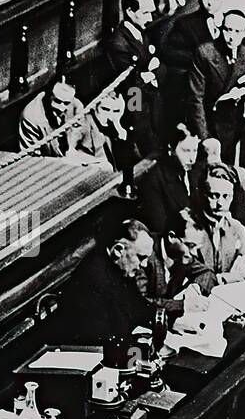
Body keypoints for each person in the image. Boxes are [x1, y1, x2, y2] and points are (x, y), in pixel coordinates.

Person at [52, 218, 155, 347]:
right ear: (118, 250)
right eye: (141, 257)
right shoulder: (92, 277)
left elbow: (138, 305)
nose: (144, 264)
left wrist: (160, 319)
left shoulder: (121, 268)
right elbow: (103, 334)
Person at [186, 9, 245, 162]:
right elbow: (195, 98)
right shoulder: (205, 53)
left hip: (233, 125)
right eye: (228, 30)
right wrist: (204, 136)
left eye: (237, 31)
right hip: (208, 122)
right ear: (221, 28)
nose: (232, 37)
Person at [105, 0, 163, 153]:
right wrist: (150, 74)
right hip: (134, 100)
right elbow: (130, 84)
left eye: (151, 12)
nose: (150, 18)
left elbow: (157, 64)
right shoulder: (118, 43)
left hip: (150, 100)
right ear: (130, 12)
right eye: (145, 13)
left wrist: (149, 74)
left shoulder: (141, 32)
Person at [191, 165, 245, 293]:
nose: (220, 203)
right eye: (214, 196)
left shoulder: (236, 228)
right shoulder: (189, 227)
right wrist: (233, 276)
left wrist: (220, 279)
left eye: (226, 196)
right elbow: (191, 279)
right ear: (202, 195)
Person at [138, 127, 203, 235]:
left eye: (195, 150)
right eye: (186, 151)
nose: (192, 158)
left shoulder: (196, 172)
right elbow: (158, 226)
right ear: (170, 149)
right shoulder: (154, 180)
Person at [18, 79, 82, 158]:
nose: (61, 108)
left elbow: (79, 136)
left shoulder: (76, 106)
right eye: (57, 101)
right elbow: (32, 158)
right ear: (48, 96)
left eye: (66, 103)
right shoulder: (31, 117)